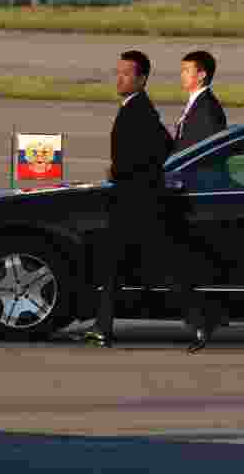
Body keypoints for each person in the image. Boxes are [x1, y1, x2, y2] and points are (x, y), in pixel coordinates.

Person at [77, 50, 216, 354]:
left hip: (139, 207)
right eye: (119, 72)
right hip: (133, 204)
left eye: (127, 74)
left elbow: (144, 157)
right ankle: (102, 328)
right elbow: (164, 146)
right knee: (113, 269)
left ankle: (199, 323)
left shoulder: (139, 111)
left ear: (142, 79)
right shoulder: (137, 108)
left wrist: (115, 171)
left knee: (166, 268)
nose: (120, 78)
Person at [173, 50, 227, 153]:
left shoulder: (208, 109)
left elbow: (211, 150)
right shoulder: (197, 102)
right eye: (182, 71)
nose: (182, 75)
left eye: (186, 71)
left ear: (202, 75)